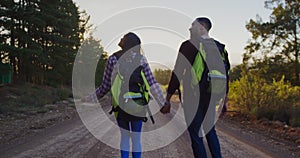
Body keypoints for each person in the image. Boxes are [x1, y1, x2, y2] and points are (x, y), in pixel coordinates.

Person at [82, 32, 166, 158]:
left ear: (127, 42)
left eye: (123, 38)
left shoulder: (113, 58)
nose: (120, 39)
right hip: (138, 105)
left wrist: (90, 98)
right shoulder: (141, 59)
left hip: (120, 105)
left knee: (125, 137)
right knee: (136, 139)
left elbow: (105, 86)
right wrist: (163, 102)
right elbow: (152, 83)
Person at [161, 17, 230, 158]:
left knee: (195, 134)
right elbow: (226, 75)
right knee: (210, 131)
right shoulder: (220, 47)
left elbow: (178, 72)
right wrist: (225, 101)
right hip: (212, 95)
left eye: (193, 25)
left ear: (201, 27)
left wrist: (167, 99)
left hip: (193, 96)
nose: (190, 28)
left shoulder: (188, 45)